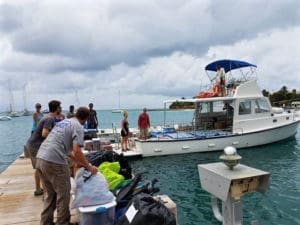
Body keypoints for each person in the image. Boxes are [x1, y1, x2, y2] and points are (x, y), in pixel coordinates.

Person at [36, 107, 98, 225]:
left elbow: (69, 150)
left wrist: (77, 160)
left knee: (51, 195)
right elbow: (77, 150)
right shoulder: (78, 126)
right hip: (54, 162)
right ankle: (63, 222)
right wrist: (89, 167)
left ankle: (46, 222)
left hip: (41, 158)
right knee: (63, 195)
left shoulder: (64, 122)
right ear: (86, 118)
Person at [26, 100, 61, 196]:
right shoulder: (49, 118)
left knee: (40, 168)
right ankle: (42, 190)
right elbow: (45, 133)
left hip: (36, 145)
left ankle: (41, 189)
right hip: (35, 146)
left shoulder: (48, 117)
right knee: (40, 168)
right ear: (57, 108)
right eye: (60, 107)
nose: (61, 108)